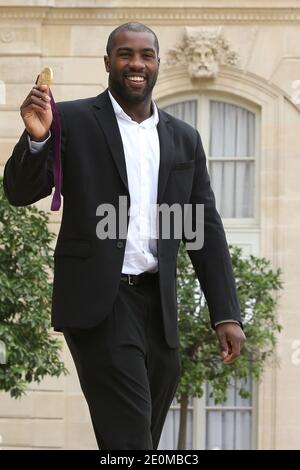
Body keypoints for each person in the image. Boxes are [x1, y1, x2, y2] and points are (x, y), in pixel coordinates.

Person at [3, 22, 246, 450]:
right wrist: (37, 139)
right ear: (108, 63)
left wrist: (226, 312)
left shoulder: (183, 139)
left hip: (160, 307)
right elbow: (20, 193)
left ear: (156, 63)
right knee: (132, 441)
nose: (136, 63)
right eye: (125, 54)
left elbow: (204, 227)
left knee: (137, 441)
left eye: (145, 55)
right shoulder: (73, 120)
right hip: (102, 301)